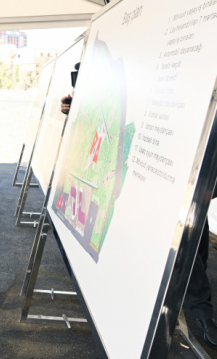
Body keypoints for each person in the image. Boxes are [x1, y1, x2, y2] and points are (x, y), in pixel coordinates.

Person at [60, 94, 217, 346]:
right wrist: (76, 105)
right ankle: (198, 310)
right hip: (157, 165)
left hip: (190, 167)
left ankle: (200, 312)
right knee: (185, 245)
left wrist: (209, 183)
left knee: (193, 242)